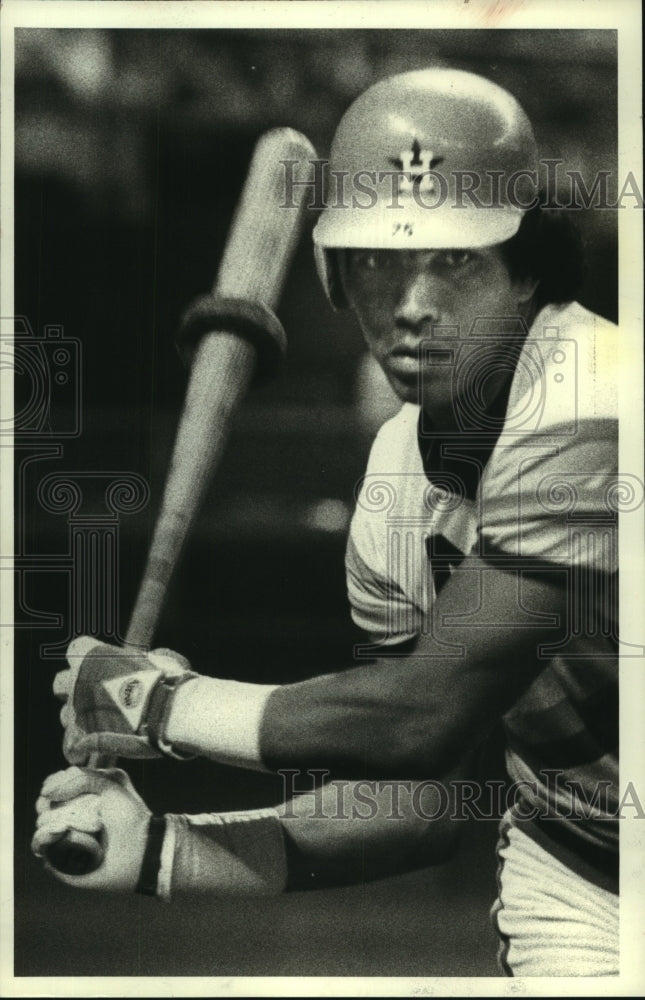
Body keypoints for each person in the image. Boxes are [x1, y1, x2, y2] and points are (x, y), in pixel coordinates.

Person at [33, 68, 619, 976]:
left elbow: (421, 715)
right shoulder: (394, 476)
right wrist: (163, 849)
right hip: (579, 869)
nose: (412, 302)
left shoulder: (597, 390)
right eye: (379, 258)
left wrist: (156, 704)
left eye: (454, 258)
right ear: (333, 276)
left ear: (529, 269)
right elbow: (412, 800)